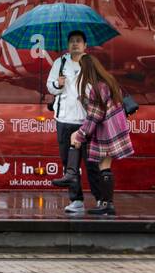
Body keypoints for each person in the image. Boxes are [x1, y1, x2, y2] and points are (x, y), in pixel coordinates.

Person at [68, 53, 134, 217]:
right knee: (105, 166)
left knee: (104, 167)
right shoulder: (109, 82)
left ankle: (106, 204)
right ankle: (106, 204)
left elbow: (94, 117)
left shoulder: (97, 88)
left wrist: (80, 135)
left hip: (107, 132)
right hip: (116, 129)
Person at [45, 29, 88, 214]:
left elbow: (99, 88)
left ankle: (103, 201)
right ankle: (76, 200)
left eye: (79, 41)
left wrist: (85, 96)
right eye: (72, 41)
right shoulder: (60, 62)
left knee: (91, 163)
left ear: (85, 45)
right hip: (63, 120)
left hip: (86, 121)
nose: (75, 44)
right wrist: (58, 84)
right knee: (69, 164)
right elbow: (50, 86)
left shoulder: (90, 64)